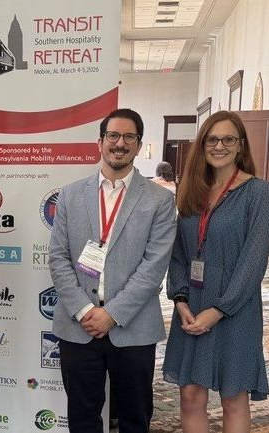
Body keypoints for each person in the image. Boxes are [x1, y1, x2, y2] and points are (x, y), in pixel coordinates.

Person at [49, 108, 176, 433]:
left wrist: (112, 314)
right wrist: (85, 310)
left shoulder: (160, 200)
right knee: (82, 420)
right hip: (79, 325)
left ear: (138, 145)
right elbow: (58, 257)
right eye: (113, 136)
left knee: (135, 419)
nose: (120, 143)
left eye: (129, 137)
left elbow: (154, 267)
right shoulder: (70, 194)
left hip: (134, 327)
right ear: (100, 142)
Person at [163, 111, 269, 433]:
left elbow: (254, 260)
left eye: (228, 139)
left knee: (233, 398)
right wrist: (180, 300)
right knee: (190, 396)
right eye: (212, 139)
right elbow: (179, 253)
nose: (219, 146)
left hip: (235, 309)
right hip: (192, 307)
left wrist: (220, 309)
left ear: (240, 145)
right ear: (202, 145)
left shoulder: (257, 192)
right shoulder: (191, 190)